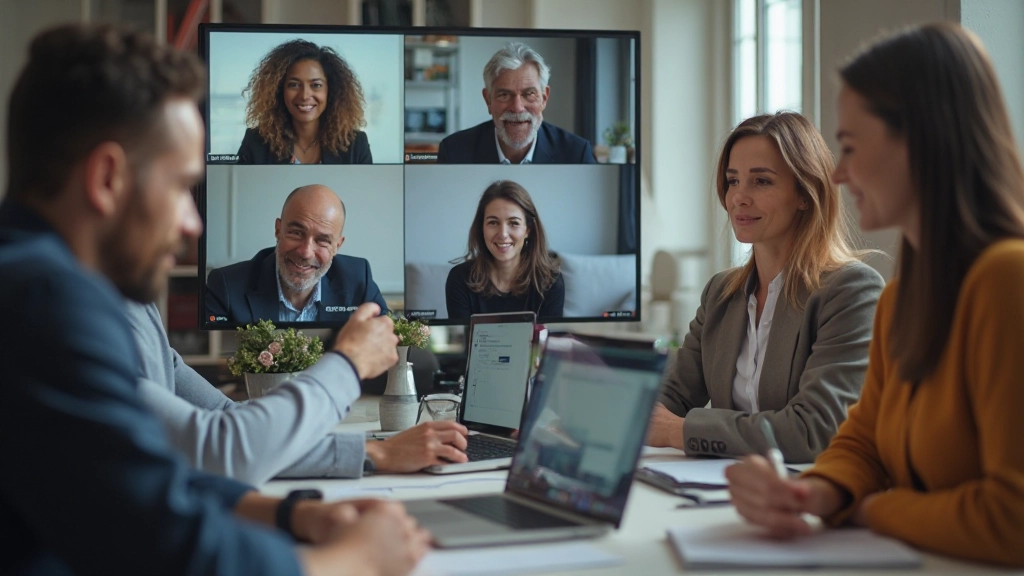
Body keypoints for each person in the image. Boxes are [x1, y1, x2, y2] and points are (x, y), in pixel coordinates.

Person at [0, 23, 427, 575]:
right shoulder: (48, 302)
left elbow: (155, 477)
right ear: (107, 178)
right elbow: (171, 542)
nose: (192, 222)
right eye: (180, 186)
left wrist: (292, 516)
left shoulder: (77, 291)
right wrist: (349, 563)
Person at [726, 23, 1024, 567]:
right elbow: (862, 444)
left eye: (850, 146)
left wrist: (872, 510)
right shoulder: (901, 300)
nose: (836, 173)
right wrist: (812, 494)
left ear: (922, 143)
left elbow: (1012, 518)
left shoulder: (1008, 280)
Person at [646, 112, 884, 464]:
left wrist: (674, 431)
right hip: (720, 487)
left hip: (809, 496)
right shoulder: (720, 294)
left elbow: (813, 430)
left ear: (805, 194)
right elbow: (668, 396)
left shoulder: (852, 291)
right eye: (732, 180)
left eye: (761, 182)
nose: (739, 197)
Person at [127, 299, 469, 484]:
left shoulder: (137, 309)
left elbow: (226, 418)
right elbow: (222, 448)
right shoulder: (85, 325)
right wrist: (349, 364)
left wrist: (374, 453)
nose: (193, 223)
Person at [206, 184, 387, 324]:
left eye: (322, 240)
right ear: (278, 230)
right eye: (296, 233)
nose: (306, 252)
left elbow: (386, 343)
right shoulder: (226, 286)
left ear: (337, 246)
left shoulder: (358, 279)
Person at [435, 42, 596, 165]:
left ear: (544, 98)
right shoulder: (454, 152)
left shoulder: (576, 154)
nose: (517, 107)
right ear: (488, 100)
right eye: (504, 95)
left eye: (529, 94)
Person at [237, 39, 371, 164]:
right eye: (294, 85)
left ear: (331, 90)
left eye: (316, 85)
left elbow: (366, 189)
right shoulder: (256, 141)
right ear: (279, 90)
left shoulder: (356, 144)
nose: (305, 95)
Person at [446, 180, 565, 319]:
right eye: (493, 223)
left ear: (528, 230)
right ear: (481, 228)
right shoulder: (460, 279)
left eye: (514, 223)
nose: (502, 234)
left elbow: (549, 339)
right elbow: (462, 339)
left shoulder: (551, 281)